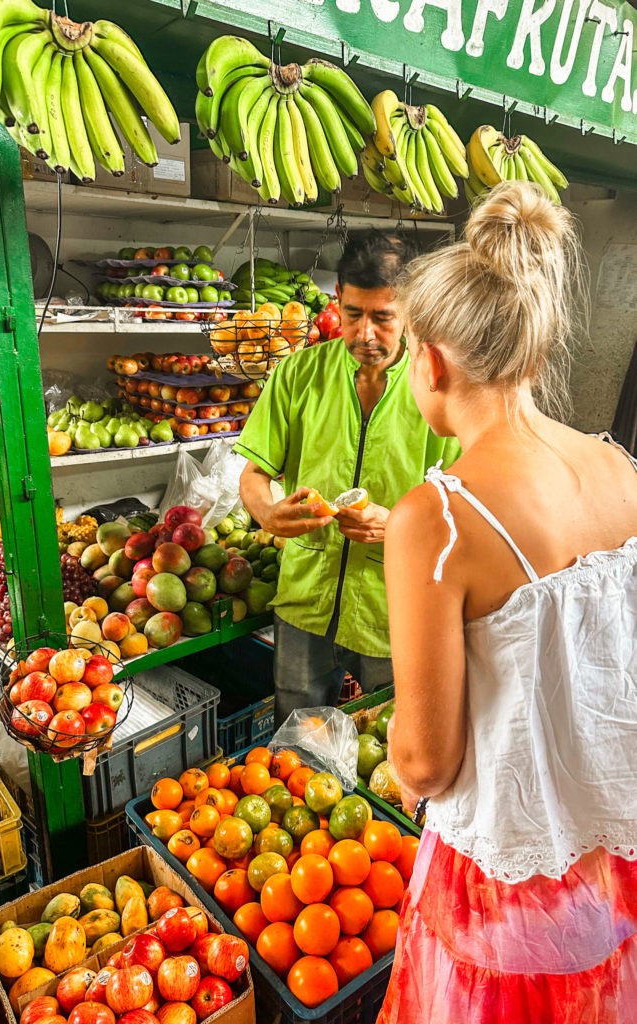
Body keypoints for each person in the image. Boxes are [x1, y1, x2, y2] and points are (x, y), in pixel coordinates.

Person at [379, 182, 637, 1024]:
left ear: (429, 359)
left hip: (504, 883)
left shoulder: (437, 517)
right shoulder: (617, 468)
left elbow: (425, 765)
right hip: (612, 864)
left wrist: (391, 737)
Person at [234, 230, 460, 726]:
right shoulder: (299, 374)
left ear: (413, 313)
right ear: (337, 299)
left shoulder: (439, 386)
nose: (364, 334)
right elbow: (254, 473)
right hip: (304, 598)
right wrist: (269, 513)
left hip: (393, 605)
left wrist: (397, 523)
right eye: (353, 314)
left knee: (389, 738)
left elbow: (464, 505)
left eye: (383, 318)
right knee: (298, 736)